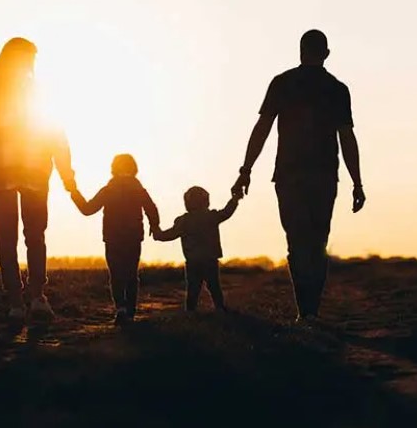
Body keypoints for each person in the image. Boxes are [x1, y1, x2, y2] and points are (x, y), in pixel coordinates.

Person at [232, 29, 366, 324]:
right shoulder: (337, 89)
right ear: (326, 54)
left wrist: (246, 170)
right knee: (317, 243)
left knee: (296, 242)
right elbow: (347, 139)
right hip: (324, 175)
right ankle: (311, 311)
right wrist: (357, 182)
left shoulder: (282, 83)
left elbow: (262, 129)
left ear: (300, 51)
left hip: (289, 175)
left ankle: (303, 311)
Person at [0, 37, 76, 322]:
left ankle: (32, 297)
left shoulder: (2, 90)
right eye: (28, 59)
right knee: (20, 236)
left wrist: (67, 173)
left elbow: (55, 134)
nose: (31, 65)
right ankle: (22, 299)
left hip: (28, 170)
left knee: (24, 235)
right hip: (13, 170)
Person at [70, 154, 159, 325]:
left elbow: (88, 209)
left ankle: (121, 309)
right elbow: (152, 209)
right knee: (131, 273)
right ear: (134, 169)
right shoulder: (138, 190)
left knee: (116, 274)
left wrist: (74, 193)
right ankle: (130, 311)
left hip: (112, 237)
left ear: (113, 169)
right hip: (133, 237)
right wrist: (154, 227)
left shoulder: (108, 190)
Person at [153, 187, 240, 312]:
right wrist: (234, 199)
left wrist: (158, 234)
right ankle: (219, 308)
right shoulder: (211, 216)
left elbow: (170, 234)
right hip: (210, 259)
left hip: (192, 260)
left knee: (193, 288)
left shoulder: (183, 221)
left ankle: (190, 311)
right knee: (214, 286)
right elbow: (226, 212)